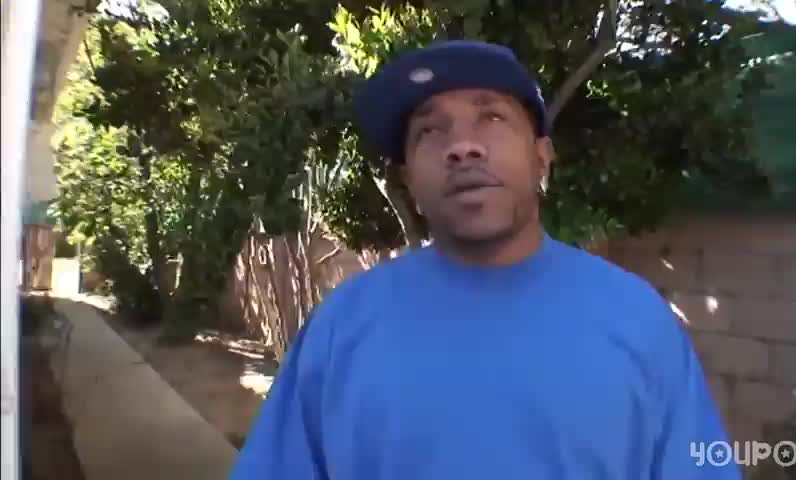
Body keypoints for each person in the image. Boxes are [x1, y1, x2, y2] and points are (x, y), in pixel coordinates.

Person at [230, 40, 742, 480]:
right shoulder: (340, 328)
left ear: (541, 158)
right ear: (409, 180)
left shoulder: (637, 318)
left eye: (491, 118)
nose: (462, 147)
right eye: (430, 132)